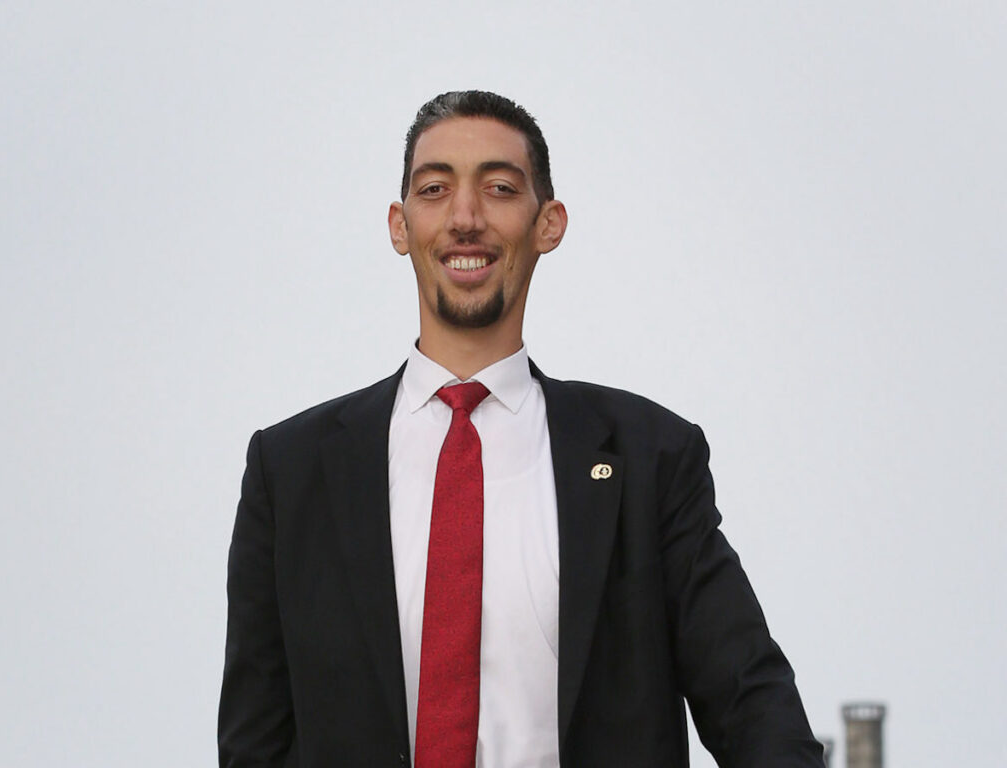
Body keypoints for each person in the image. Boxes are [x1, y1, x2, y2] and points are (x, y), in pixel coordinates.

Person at [219, 90, 824, 768]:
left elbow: (754, 705)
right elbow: (255, 742)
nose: (466, 217)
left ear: (548, 223)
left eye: (500, 189)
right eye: (435, 188)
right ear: (399, 225)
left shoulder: (651, 459)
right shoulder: (292, 469)